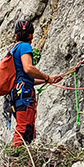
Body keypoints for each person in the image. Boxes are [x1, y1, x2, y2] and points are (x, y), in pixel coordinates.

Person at [10, 18, 64, 147]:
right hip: (24, 95)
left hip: (18, 93)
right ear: (31, 35)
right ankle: (17, 161)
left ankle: (22, 160)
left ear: (16, 35)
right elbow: (28, 68)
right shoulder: (24, 46)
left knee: (26, 129)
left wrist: (49, 79)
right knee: (24, 129)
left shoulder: (15, 49)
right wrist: (46, 77)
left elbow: (26, 78)